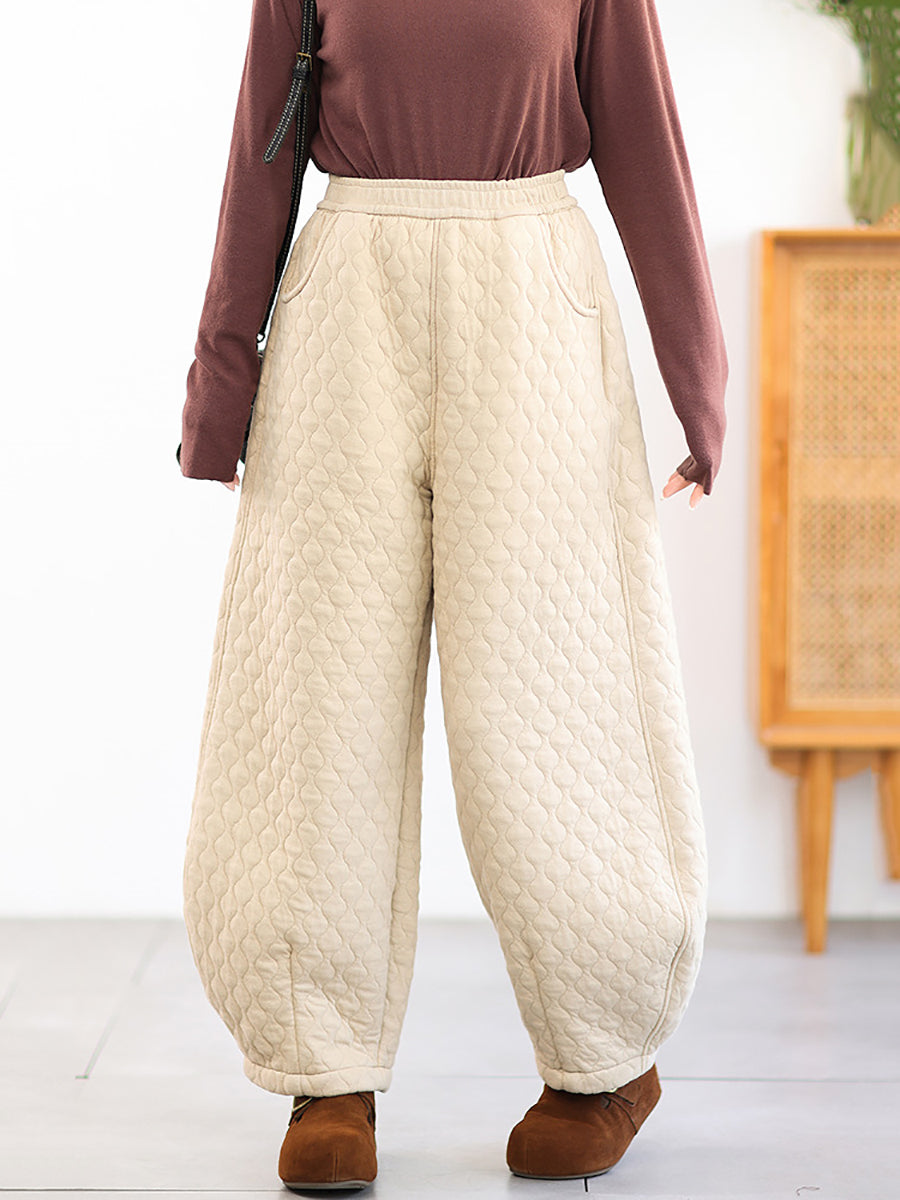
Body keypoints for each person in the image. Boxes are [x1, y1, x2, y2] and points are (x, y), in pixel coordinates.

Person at [177, 0, 728, 1190]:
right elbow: (259, 158)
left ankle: (604, 1061)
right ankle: (326, 1068)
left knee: (554, 691)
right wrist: (220, 393)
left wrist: (699, 384)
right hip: (346, 307)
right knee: (316, 690)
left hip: (534, 301)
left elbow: (646, 143)